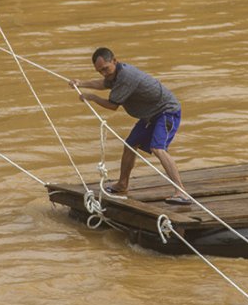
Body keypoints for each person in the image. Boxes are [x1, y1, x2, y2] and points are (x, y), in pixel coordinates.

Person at [69, 47, 191, 205]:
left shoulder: (126, 76)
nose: (104, 73)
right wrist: (81, 83)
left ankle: (181, 192)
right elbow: (104, 83)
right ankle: (122, 184)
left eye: (105, 68)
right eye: (99, 71)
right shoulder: (114, 74)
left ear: (114, 61)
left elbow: (112, 106)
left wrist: (92, 97)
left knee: (157, 148)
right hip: (149, 115)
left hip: (166, 112)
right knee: (130, 144)